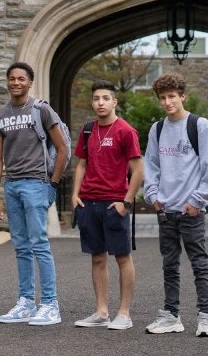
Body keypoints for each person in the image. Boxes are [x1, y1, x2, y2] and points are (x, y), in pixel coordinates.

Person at [0, 62, 68, 326]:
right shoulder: (1, 115)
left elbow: (63, 148)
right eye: (11, 78)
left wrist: (52, 184)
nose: (15, 82)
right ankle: (25, 302)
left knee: (39, 244)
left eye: (21, 78)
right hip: (12, 186)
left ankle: (50, 304)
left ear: (30, 82)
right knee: (21, 247)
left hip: (36, 183)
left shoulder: (41, 110)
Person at [143, 72, 208, 338]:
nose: (167, 102)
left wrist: (198, 201)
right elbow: (150, 165)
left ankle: (206, 317)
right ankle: (171, 316)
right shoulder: (158, 129)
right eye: (163, 98)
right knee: (169, 265)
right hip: (166, 211)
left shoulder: (199, 125)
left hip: (191, 210)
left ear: (182, 96)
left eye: (172, 96)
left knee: (199, 263)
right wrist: (153, 196)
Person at [70, 80, 144, 330]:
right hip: (89, 202)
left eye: (105, 98)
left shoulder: (125, 130)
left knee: (122, 257)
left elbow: (138, 170)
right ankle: (101, 312)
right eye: (96, 99)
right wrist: (75, 194)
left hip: (114, 204)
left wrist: (126, 202)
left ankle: (124, 314)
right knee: (97, 258)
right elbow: (81, 163)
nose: (100, 103)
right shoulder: (88, 130)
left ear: (115, 101)